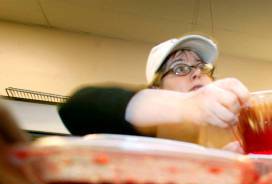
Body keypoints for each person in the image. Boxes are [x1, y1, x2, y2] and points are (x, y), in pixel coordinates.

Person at [59, 34, 249, 143]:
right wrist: (186, 106)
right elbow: (77, 107)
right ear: (156, 88)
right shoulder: (141, 138)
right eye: (180, 68)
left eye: (202, 67)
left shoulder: (232, 138)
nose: (197, 73)